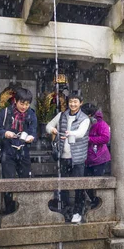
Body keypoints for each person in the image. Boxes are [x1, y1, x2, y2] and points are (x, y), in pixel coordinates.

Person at [0, 88, 37, 215]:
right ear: (15, 101)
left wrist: (31, 137)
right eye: (22, 103)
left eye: (27, 104)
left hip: (23, 151)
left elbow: (33, 131)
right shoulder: (6, 112)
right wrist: (4, 133)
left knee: (25, 181)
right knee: (8, 182)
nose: (24, 107)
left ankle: (25, 209)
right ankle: (9, 211)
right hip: (8, 150)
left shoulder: (31, 114)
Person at [46, 94, 90, 223]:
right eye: (71, 102)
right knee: (63, 185)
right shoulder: (61, 115)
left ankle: (77, 211)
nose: (73, 104)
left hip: (78, 158)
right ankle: (65, 211)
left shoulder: (84, 118)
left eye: (75, 102)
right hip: (63, 157)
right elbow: (48, 126)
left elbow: (81, 133)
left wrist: (70, 133)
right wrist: (52, 130)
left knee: (78, 186)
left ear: (80, 103)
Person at [81, 103, 111, 207]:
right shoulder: (83, 122)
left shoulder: (101, 124)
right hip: (86, 158)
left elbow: (106, 138)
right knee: (87, 182)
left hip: (99, 157)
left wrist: (89, 139)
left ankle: (97, 202)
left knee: (97, 182)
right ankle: (92, 200)